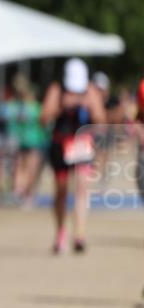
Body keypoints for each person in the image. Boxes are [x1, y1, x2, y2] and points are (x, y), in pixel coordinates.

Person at [41, 58, 105, 254]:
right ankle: (60, 232)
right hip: (60, 144)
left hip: (81, 143)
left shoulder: (90, 91)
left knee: (82, 188)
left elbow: (101, 122)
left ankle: (79, 234)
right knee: (61, 190)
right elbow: (43, 118)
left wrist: (89, 107)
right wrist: (62, 106)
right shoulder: (56, 90)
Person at [12, 74, 48, 208]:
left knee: (25, 168)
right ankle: (24, 193)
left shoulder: (30, 108)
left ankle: (25, 193)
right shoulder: (29, 108)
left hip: (33, 142)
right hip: (29, 142)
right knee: (26, 169)